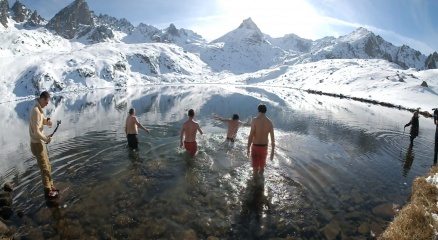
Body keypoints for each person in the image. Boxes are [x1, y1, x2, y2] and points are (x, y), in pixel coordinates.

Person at [29, 91, 58, 199]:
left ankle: (51, 186)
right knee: (44, 168)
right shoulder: (36, 111)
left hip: (39, 143)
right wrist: (46, 138)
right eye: (46, 101)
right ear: (42, 99)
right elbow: (36, 132)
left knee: (48, 165)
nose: (47, 104)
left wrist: (47, 121)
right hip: (37, 144)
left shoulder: (39, 110)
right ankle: (48, 191)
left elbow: (41, 121)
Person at [247, 104, 275, 177]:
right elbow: (273, 139)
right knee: (262, 168)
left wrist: (248, 148)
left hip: (255, 147)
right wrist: (272, 152)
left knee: (255, 169)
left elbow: (251, 135)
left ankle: (254, 185)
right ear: (265, 111)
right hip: (264, 147)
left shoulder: (255, 120)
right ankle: (260, 184)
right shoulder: (270, 122)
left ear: (258, 110)